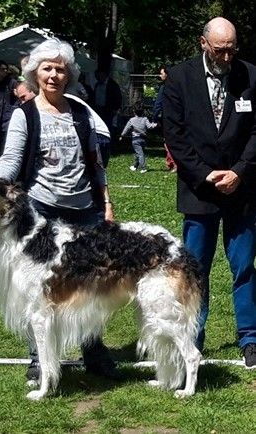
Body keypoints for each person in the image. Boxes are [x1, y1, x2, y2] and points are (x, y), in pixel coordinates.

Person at [0, 38, 120, 381]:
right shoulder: (25, 114)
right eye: (47, 68)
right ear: (35, 73)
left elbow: (96, 162)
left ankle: (93, 350)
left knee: (90, 287)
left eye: (60, 69)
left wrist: (105, 202)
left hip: (85, 210)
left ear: (69, 75)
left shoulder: (80, 112)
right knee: (40, 292)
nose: (53, 75)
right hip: (42, 211)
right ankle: (39, 359)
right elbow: (11, 158)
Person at [163, 17, 256, 368]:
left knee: (244, 266)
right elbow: (175, 135)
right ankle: (193, 339)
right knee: (196, 269)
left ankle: (250, 338)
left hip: (242, 190)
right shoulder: (179, 78)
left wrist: (239, 172)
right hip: (199, 191)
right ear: (203, 43)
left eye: (233, 48)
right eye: (221, 49)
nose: (228, 56)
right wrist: (205, 175)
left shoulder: (251, 76)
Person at [152, 66, 177, 172]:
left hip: (166, 118)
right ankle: (170, 162)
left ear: (167, 74)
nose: (160, 75)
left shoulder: (164, 87)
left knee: (167, 141)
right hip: (176, 118)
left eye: (162, 73)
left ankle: (173, 163)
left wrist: (154, 117)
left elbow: (158, 103)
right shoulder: (177, 86)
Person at [119, 105, 156, 173]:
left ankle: (143, 167)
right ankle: (135, 166)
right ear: (143, 112)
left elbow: (126, 129)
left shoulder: (131, 120)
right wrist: (154, 124)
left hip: (135, 140)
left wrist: (122, 135)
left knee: (140, 154)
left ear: (134, 112)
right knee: (138, 153)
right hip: (144, 139)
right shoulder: (145, 119)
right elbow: (150, 126)